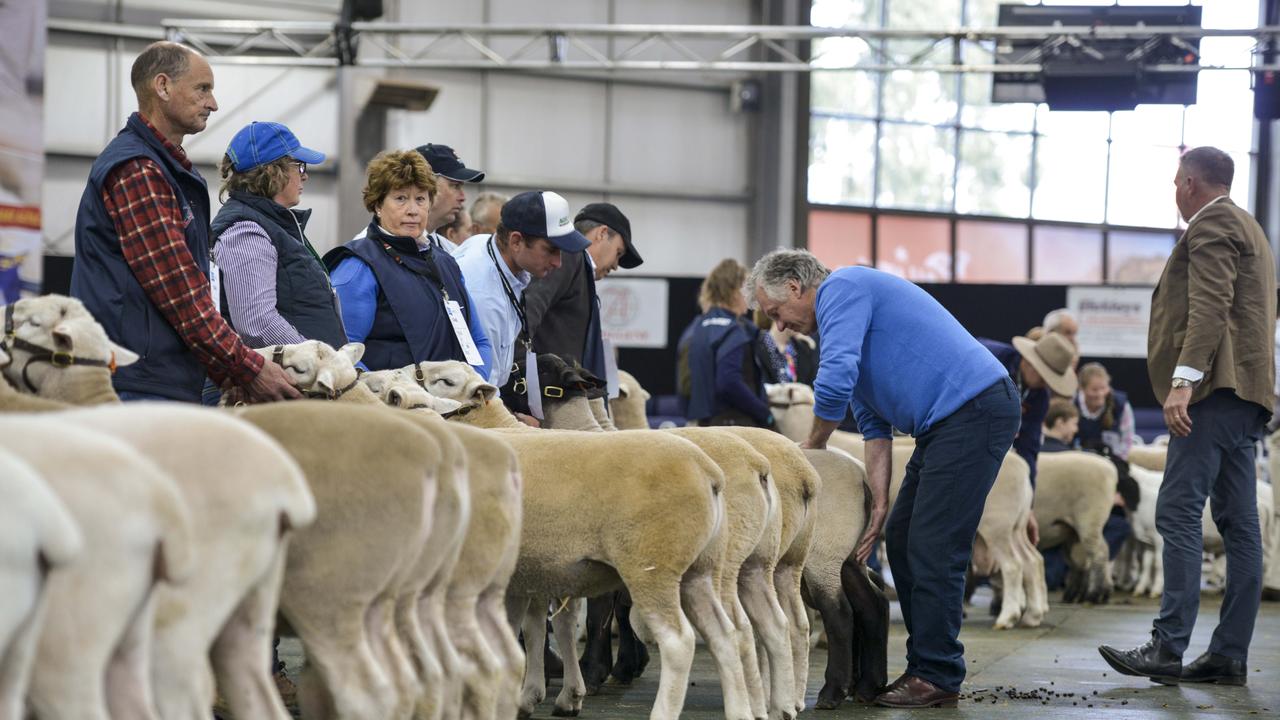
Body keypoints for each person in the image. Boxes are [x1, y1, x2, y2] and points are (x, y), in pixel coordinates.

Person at [748, 249, 1020, 708]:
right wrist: (878, 502)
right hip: (950, 421)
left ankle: (937, 673)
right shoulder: (851, 319)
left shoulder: (843, 289)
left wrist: (809, 448)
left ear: (795, 287)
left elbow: (834, 381)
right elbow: (875, 430)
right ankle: (928, 667)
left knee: (933, 544)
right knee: (901, 532)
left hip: (973, 410)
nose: (779, 326)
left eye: (777, 312)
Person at [1100, 146, 1276, 687]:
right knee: (1242, 528)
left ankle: (1167, 646)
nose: (1175, 191)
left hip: (1214, 396)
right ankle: (1227, 655)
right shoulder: (1253, 230)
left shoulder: (1212, 223)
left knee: (1176, 513)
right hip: (1245, 398)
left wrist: (1183, 382)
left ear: (1190, 183)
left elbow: (1210, 306)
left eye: (1177, 182)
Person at [71, 42, 298, 404]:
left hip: (154, 378)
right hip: (133, 383)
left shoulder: (166, 171)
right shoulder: (138, 170)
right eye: (203, 89)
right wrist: (246, 368)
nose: (214, 103)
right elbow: (179, 292)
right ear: (162, 87)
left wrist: (226, 371)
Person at [323, 150, 492, 375]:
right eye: (400, 198)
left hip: (454, 404)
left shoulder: (447, 263)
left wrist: (471, 387)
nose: (413, 210)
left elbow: (479, 341)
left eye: (420, 199)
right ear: (377, 205)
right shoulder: (358, 266)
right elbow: (342, 354)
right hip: (393, 405)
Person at [210, 121, 345, 351]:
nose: (305, 176)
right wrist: (319, 361)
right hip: (286, 380)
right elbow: (257, 323)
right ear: (273, 171)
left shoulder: (271, 225)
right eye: (299, 166)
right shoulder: (246, 231)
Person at [454, 190, 588, 400]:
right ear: (516, 241)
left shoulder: (486, 246)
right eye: (551, 250)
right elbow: (483, 390)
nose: (558, 262)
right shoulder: (483, 295)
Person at [523, 202, 643, 386]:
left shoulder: (578, 266)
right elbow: (528, 312)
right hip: (551, 396)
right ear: (602, 233)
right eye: (618, 253)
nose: (615, 265)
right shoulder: (569, 257)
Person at [685, 259, 773, 428]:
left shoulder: (694, 329)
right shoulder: (735, 330)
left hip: (700, 424)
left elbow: (684, 385)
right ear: (734, 291)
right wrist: (764, 414)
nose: (749, 297)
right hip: (735, 425)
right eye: (746, 289)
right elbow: (729, 382)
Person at [418, 143, 485, 255]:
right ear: (426, 185)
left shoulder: (453, 253)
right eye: (454, 185)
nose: (463, 197)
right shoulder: (386, 248)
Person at [1074, 362, 1136, 461]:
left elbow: (1127, 441)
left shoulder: (1120, 405)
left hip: (1112, 460)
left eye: (1103, 388)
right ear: (1082, 388)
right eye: (1094, 390)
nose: (1100, 394)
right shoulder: (1072, 404)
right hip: (1080, 461)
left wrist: (1116, 461)